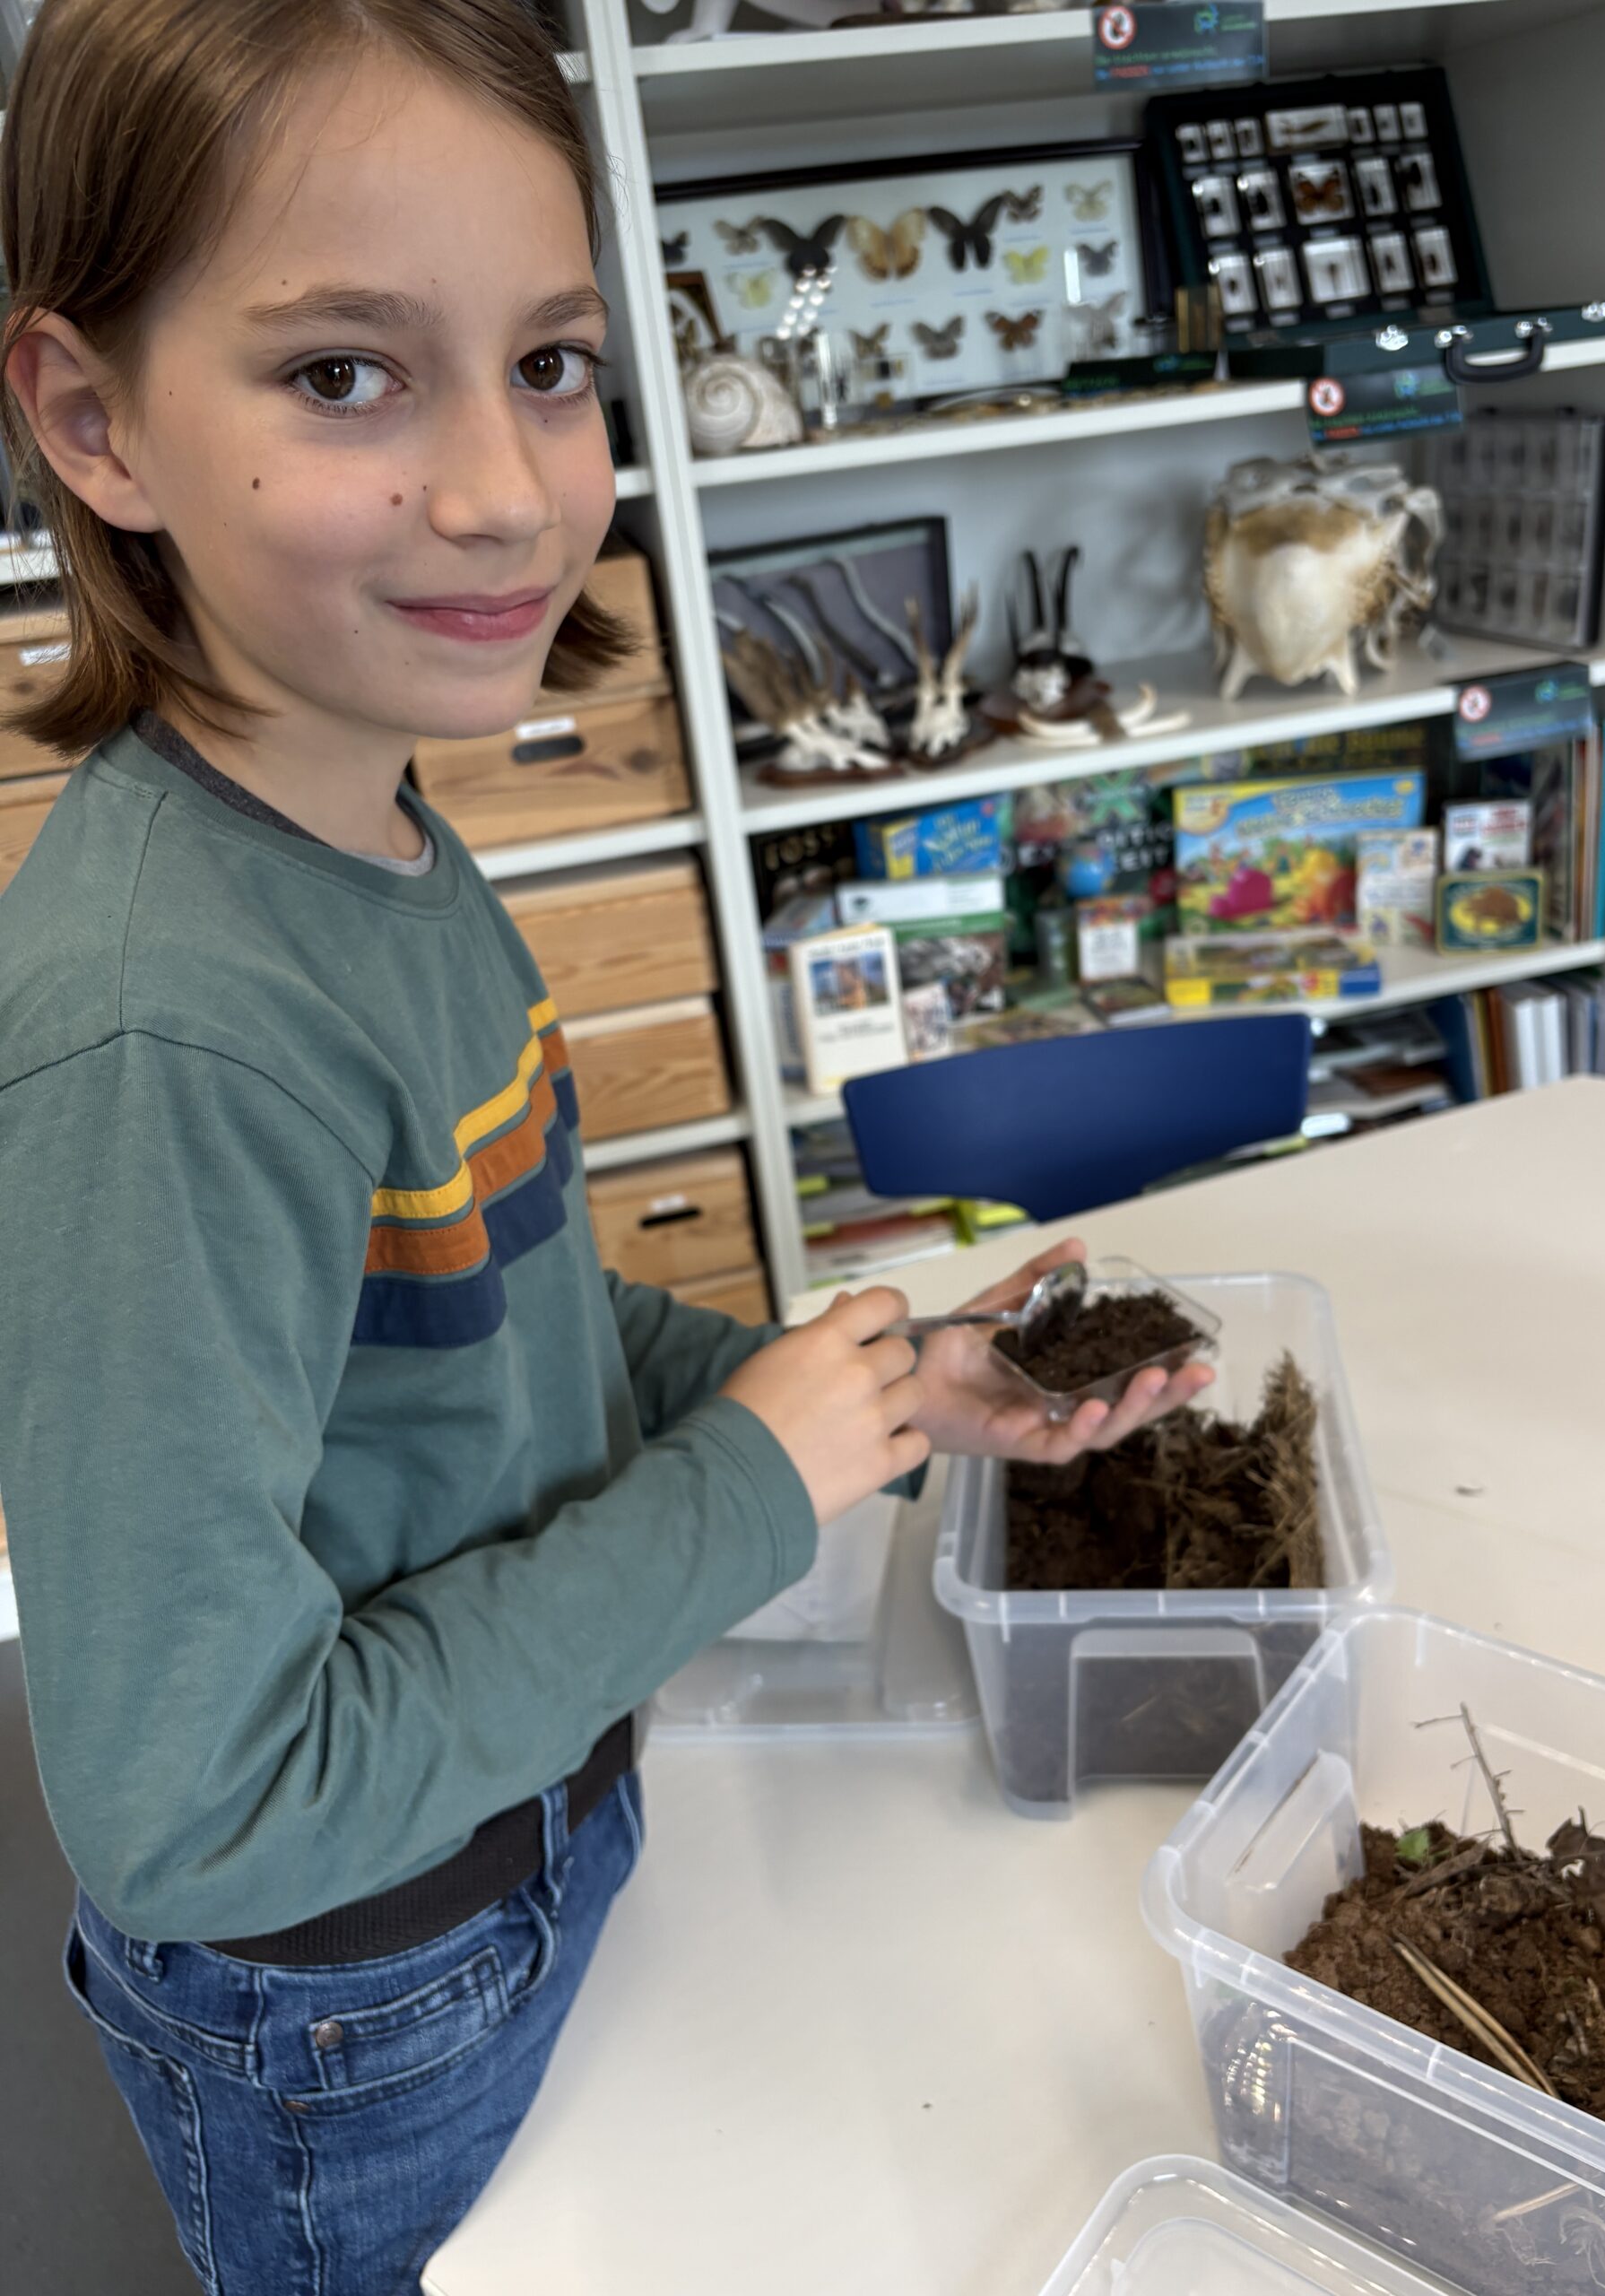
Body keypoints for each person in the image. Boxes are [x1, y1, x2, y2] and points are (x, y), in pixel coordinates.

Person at [0, 4, 1212, 2290]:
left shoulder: (376, 823)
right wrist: (748, 1481)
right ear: (93, 419)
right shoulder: (172, 1033)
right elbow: (202, 1806)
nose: (504, 488)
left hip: (534, 1832)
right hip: (365, 1992)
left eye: (551, 363)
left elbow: (506, 1311)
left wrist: (861, 1391)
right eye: (345, 373)